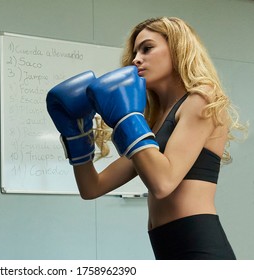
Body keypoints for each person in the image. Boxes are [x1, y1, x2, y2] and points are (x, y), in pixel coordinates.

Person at [46, 17, 247, 260]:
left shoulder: (201, 99)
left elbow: (163, 183)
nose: (136, 59)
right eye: (135, 52)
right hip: (166, 247)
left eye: (147, 48)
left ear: (177, 48)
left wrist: (128, 118)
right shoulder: (154, 124)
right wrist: (77, 134)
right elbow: (92, 187)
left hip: (199, 246)